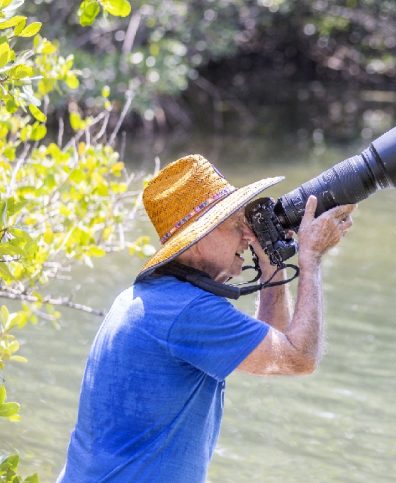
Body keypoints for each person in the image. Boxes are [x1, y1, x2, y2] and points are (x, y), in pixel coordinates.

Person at [58, 154, 356, 482]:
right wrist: (310, 258)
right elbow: (299, 358)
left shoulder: (156, 298)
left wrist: (270, 260)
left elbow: (272, 351)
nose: (247, 235)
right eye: (235, 225)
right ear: (197, 241)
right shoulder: (187, 311)